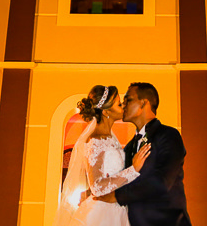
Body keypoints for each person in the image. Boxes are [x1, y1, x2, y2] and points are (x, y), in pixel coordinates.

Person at [95, 82, 191, 226]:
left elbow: (162, 182)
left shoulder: (168, 135)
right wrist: (95, 191)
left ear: (143, 103)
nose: (123, 104)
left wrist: (116, 196)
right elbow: (121, 179)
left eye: (128, 100)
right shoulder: (129, 147)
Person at [54, 84, 152, 226]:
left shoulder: (110, 138)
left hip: (117, 208)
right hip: (103, 215)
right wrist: (133, 170)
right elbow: (97, 187)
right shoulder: (96, 141)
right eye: (119, 104)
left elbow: (107, 178)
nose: (124, 106)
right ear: (106, 111)